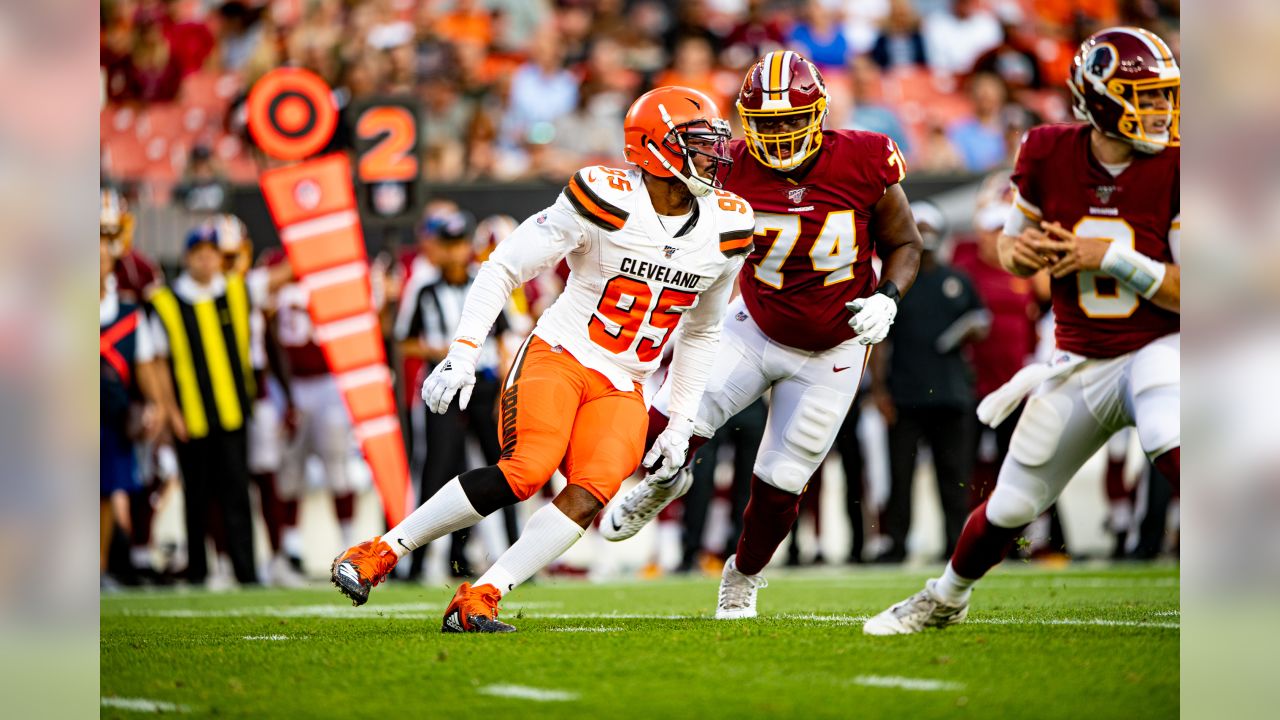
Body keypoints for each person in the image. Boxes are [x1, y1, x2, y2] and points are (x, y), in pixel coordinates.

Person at [332, 86, 753, 633]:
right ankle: (380, 552)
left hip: (627, 381)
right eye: (695, 143)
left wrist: (681, 421)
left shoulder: (727, 226)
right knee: (527, 470)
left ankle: (481, 594)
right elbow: (502, 267)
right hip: (561, 352)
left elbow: (702, 329)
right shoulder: (605, 198)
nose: (711, 156)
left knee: (589, 494)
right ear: (655, 149)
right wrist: (462, 354)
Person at [865, 27, 1180, 635]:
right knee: (1012, 502)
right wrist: (1026, 254)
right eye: (1148, 96)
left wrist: (1108, 258)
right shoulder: (1046, 151)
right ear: (1100, 97)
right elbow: (1010, 249)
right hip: (1081, 356)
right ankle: (945, 597)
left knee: (1170, 426)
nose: (1163, 110)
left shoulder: (1180, 166)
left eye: (1166, 95)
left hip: (1160, 344)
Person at [601, 51, 923, 620]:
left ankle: (742, 577)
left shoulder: (866, 157)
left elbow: (905, 243)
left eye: (788, 122)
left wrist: (887, 298)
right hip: (752, 325)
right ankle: (667, 480)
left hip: (834, 347)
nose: (777, 136)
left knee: (780, 484)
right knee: (659, 436)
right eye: (765, 124)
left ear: (819, 114)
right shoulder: (729, 165)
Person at [149, 221, 292, 586]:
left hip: (233, 412)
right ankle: (199, 568)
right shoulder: (165, 302)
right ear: (188, 258)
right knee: (196, 496)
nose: (207, 262)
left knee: (236, 493)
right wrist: (170, 411)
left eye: (213, 255)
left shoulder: (236, 289)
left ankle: (245, 569)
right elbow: (159, 362)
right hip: (191, 414)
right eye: (201, 255)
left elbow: (279, 277)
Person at [396, 210, 520, 580]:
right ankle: (416, 562)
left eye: (460, 244)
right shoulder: (423, 289)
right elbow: (404, 342)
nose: (454, 252)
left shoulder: (485, 282)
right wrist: (438, 351)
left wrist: (503, 388)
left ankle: (515, 558)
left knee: (504, 470)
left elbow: (503, 338)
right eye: (447, 245)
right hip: (443, 388)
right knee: (436, 471)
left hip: (483, 386)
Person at [870, 201, 990, 563]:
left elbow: (982, 321)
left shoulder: (957, 279)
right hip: (905, 394)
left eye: (929, 226)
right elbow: (881, 340)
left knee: (954, 476)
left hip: (951, 393)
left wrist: (970, 330)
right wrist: (879, 389)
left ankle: (957, 543)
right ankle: (896, 543)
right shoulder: (895, 283)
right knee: (899, 476)